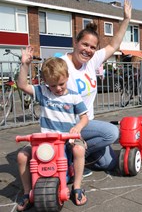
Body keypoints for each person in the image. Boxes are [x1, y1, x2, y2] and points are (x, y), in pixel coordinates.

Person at [60, 0, 131, 171]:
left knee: (109, 163)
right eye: (85, 44)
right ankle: (72, 157)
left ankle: (81, 150)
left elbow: (114, 45)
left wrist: (126, 19)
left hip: (86, 124)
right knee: (112, 133)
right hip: (69, 125)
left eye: (92, 47)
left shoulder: (91, 62)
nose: (88, 50)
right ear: (75, 43)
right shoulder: (62, 64)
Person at [16, 46, 89, 210]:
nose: (57, 89)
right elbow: (22, 85)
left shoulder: (74, 96)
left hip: (66, 139)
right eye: (52, 85)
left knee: (79, 150)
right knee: (22, 156)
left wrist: (77, 128)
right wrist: (25, 65)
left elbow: (85, 117)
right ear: (46, 83)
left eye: (61, 84)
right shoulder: (43, 92)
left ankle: (76, 186)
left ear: (67, 77)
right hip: (44, 140)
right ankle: (28, 192)